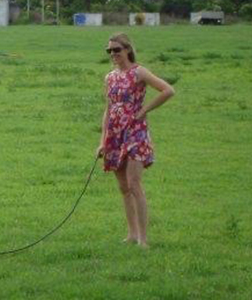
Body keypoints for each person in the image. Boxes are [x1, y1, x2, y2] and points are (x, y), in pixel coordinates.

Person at [96, 33, 175, 248]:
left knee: (134, 184)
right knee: (123, 187)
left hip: (135, 133)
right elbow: (108, 108)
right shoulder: (110, 77)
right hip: (115, 134)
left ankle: (143, 239)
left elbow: (168, 90)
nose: (113, 54)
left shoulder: (139, 72)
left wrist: (144, 109)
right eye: (109, 51)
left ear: (127, 50)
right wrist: (103, 141)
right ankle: (131, 234)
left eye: (117, 50)